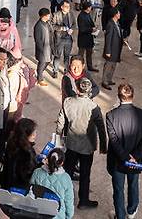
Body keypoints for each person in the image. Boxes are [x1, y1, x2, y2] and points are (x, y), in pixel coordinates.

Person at [56, 77, 107, 209]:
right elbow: (101, 128)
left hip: (71, 144)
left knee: (67, 171)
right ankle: (83, 200)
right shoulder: (94, 107)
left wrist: (59, 139)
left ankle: (62, 196)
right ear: (89, 91)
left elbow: (61, 122)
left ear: (77, 89)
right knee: (85, 174)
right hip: (87, 146)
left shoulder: (68, 102)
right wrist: (103, 146)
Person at [106, 83, 142, 219]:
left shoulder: (111, 115)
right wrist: (134, 156)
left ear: (119, 96)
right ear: (133, 95)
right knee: (133, 185)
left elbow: (114, 141)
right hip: (135, 160)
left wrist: (125, 157)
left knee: (118, 189)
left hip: (118, 160)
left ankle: (120, 215)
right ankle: (131, 211)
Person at [29, 149, 74, 219]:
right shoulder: (66, 178)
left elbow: (31, 191)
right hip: (58, 215)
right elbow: (69, 201)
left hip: (39, 212)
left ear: (47, 159)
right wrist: (68, 216)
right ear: (62, 163)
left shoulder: (37, 172)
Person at [0, 118, 38, 191]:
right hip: (19, 189)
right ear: (26, 135)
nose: (35, 135)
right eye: (33, 134)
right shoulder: (27, 153)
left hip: (7, 184)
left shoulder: (12, 143)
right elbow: (28, 175)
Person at [52, 0, 76, 74]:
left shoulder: (71, 14)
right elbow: (52, 26)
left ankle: (66, 70)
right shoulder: (56, 14)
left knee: (67, 55)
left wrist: (72, 29)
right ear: (62, 7)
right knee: (57, 55)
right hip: (59, 38)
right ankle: (55, 70)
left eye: (69, 6)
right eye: (66, 6)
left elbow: (74, 24)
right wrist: (61, 28)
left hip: (68, 38)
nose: (68, 8)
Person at [102, 8, 123, 91]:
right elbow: (108, 38)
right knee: (108, 66)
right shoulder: (110, 24)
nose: (119, 15)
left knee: (113, 66)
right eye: (118, 13)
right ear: (115, 14)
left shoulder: (117, 23)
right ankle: (105, 81)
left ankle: (109, 79)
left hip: (116, 49)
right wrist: (107, 51)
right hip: (111, 49)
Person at [34, 8, 56, 86]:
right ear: (44, 16)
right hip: (43, 49)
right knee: (42, 62)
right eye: (48, 15)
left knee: (48, 60)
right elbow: (37, 40)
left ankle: (39, 73)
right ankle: (40, 78)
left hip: (49, 46)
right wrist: (41, 50)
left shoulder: (47, 23)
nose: (49, 16)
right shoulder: (38, 26)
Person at [77, 2, 98, 72]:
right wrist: (92, 29)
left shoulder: (88, 14)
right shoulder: (81, 16)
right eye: (90, 7)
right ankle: (79, 67)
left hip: (89, 38)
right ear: (88, 8)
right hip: (83, 39)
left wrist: (94, 27)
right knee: (81, 55)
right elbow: (82, 29)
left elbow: (91, 23)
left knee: (89, 53)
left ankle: (90, 66)